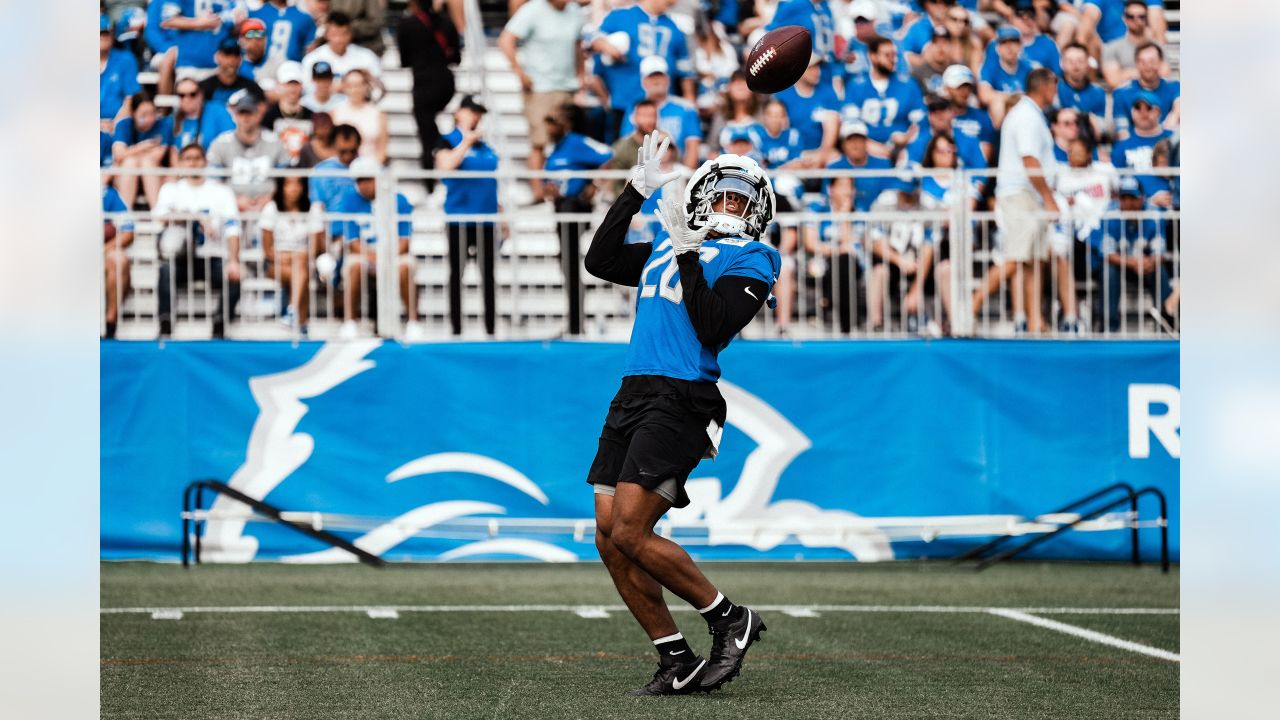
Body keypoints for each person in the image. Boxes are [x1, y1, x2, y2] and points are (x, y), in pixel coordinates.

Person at [582, 134, 777, 696]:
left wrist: (690, 252)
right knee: (606, 536)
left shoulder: (755, 257)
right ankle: (674, 656)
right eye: (721, 197)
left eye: (740, 201)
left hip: (682, 396)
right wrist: (633, 193)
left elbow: (714, 325)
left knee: (630, 528)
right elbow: (599, 260)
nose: (727, 208)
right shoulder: (666, 245)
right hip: (633, 392)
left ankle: (728, 618)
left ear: (757, 211)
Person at [982, 67, 1059, 335]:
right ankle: (968, 307)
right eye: (1054, 82)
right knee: (1014, 258)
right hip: (1020, 194)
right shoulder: (1027, 115)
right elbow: (1030, 160)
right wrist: (1050, 200)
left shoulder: (1028, 114)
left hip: (1026, 195)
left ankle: (1036, 321)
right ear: (1046, 85)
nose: (1056, 89)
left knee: (1032, 262)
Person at [499, 0, 586, 204]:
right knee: (539, 141)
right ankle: (538, 191)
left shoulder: (574, 11)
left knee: (568, 141)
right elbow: (505, 40)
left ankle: (566, 189)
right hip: (540, 87)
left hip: (568, 86)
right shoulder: (532, 9)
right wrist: (519, 72)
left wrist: (581, 76)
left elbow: (577, 45)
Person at [154, 142, 243, 339]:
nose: (193, 163)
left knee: (235, 275)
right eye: (188, 159)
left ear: (205, 162)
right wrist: (196, 217)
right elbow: (161, 216)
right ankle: (165, 322)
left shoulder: (221, 191)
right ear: (180, 163)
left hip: (211, 255)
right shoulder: (171, 189)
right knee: (165, 270)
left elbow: (232, 227)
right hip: (180, 258)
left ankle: (220, 324)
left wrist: (234, 260)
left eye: (197, 158)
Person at [330, 156, 420, 339]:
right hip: (365, 254)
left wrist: (387, 257)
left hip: (394, 253)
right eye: (359, 180)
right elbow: (352, 242)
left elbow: (405, 239)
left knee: (405, 266)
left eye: (367, 179)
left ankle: (413, 321)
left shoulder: (399, 200)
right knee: (354, 266)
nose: (363, 185)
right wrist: (375, 258)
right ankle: (350, 321)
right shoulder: (349, 201)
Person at [545, 103, 615, 335]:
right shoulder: (555, 148)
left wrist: (594, 184)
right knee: (567, 264)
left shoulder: (576, 141)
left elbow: (608, 155)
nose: (548, 127)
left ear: (565, 124)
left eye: (553, 122)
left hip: (573, 208)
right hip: (560, 210)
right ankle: (575, 320)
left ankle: (577, 323)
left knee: (570, 264)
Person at [434, 96, 501, 336]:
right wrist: (466, 143)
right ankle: (456, 328)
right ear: (458, 112)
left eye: (479, 112)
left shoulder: (486, 147)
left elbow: (491, 181)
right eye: (471, 111)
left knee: (488, 276)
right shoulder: (447, 140)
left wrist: (500, 213)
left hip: (486, 218)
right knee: (456, 274)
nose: (476, 117)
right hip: (459, 218)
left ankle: (491, 328)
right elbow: (445, 166)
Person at [590, 0, 695, 141]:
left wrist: (689, 97)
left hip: (659, 109)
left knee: (660, 150)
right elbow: (592, 40)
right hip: (624, 102)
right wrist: (608, 46)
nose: (674, 2)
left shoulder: (673, 27)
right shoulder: (620, 16)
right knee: (623, 153)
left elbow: (685, 70)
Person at [1093, 176, 1170, 333]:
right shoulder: (1110, 214)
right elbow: (1107, 253)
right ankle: (1109, 328)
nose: (1128, 203)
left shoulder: (1153, 214)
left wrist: (1149, 262)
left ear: (1142, 198)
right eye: (1124, 198)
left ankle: (1166, 324)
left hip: (1145, 267)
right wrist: (1135, 263)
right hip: (1120, 266)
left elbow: (1160, 251)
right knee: (1108, 271)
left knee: (1159, 270)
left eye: (1132, 198)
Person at [397, 0, 460, 189]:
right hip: (446, 83)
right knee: (431, 129)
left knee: (427, 138)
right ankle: (447, 152)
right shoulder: (447, 22)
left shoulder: (406, 24)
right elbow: (456, 57)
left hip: (424, 85)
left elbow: (404, 59)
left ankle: (431, 185)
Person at [207, 89, 291, 216]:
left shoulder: (274, 142)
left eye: (250, 113)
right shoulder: (221, 143)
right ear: (235, 116)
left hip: (268, 203)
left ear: (258, 114)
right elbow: (213, 180)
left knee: (271, 211)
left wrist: (270, 197)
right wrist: (234, 199)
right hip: (231, 204)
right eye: (241, 113)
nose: (245, 118)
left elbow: (286, 178)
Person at [261, 174, 324, 336]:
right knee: (301, 270)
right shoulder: (271, 208)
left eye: (298, 183)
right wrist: (290, 256)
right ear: (282, 187)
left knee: (301, 265)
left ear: (304, 187)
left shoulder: (313, 209)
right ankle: (301, 322)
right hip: (276, 263)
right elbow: (267, 250)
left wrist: (296, 256)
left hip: (303, 262)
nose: (294, 188)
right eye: (289, 183)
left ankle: (292, 312)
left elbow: (316, 247)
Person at [843, 36, 925, 160]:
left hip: (902, 150)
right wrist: (868, 145)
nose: (894, 60)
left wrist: (906, 138)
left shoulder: (908, 85)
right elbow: (849, 123)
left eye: (895, 55)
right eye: (887, 55)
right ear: (873, 56)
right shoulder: (856, 86)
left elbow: (920, 122)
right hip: (866, 152)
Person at [802, 175, 863, 334]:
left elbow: (850, 246)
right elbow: (810, 242)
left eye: (850, 187)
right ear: (831, 189)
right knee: (841, 262)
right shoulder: (818, 208)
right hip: (823, 261)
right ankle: (847, 326)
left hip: (852, 263)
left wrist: (844, 215)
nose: (847, 191)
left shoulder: (858, 212)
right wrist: (835, 251)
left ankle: (826, 301)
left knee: (845, 262)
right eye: (842, 186)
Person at [619, 57, 702, 170]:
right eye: (651, 77)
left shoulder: (686, 108)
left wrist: (685, 180)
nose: (656, 81)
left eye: (660, 76)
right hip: (641, 172)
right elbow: (627, 145)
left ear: (668, 79)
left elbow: (693, 148)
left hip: (676, 172)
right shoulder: (633, 108)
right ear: (643, 81)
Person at [112, 91, 174, 209]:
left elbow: (157, 157)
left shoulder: (163, 126)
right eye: (144, 114)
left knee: (145, 162)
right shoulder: (123, 125)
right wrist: (143, 146)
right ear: (133, 113)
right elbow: (118, 155)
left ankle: (156, 211)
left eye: (152, 113)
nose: (149, 118)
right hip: (125, 174)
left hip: (154, 173)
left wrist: (129, 152)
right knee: (131, 162)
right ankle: (125, 214)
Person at [1111, 91, 1173, 207]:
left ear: (1158, 111)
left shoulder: (1174, 138)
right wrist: (1148, 203)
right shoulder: (1122, 145)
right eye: (1138, 108)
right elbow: (1116, 183)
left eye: (1148, 108)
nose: (1143, 113)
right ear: (1132, 112)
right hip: (1139, 210)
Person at [774, 56, 840, 163]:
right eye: (811, 68)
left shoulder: (828, 92)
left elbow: (833, 125)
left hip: (821, 153)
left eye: (818, 67)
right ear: (798, 69)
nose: (817, 71)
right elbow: (778, 131)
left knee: (835, 157)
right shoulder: (783, 95)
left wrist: (821, 156)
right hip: (792, 153)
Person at [766, 0, 839, 93]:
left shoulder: (826, 7)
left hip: (826, 71)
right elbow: (771, 35)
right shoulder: (794, 5)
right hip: (803, 71)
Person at [1112, 42, 1179, 138]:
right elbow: (1122, 132)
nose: (1148, 66)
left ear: (1160, 62)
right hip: (1135, 146)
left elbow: (1180, 104)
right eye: (1143, 62)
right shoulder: (1122, 93)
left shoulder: (1174, 87)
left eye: (1152, 61)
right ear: (1136, 64)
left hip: (1167, 143)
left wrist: (1174, 115)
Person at [166, 0, 243, 79]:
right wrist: (198, 23)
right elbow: (168, 20)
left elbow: (239, 18)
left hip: (221, 62)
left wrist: (233, 20)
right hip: (190, 61)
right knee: (188, 89)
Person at [302, 11, 383, 84]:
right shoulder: (313, 59)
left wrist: (369, 78)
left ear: (351, 34)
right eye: (334, 34)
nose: (339, 39)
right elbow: (308, 89)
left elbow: (379, 87)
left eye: (343, 34)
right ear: (326, 34)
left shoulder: (367, 56)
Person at [262, 62, 316, 166]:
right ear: (279, 86)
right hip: (277, 168)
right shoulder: (269, 116)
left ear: (301, 86)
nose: (292, 89)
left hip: (304, 168)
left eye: (295, 84)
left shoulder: (311, 115)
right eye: (288, 84)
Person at [978, 26, 1032, 126]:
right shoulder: (989, 67)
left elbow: (1035, 95)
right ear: (997, 48)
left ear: (1020, 46)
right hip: (1003, 113)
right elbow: (984, 96)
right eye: (1004, 43)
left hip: (1024, 111)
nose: (1009, 47)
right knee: (997, 103)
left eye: (1014, 42)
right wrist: (1013, 97)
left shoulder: (1028, 67)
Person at [331, 69, 388, 163]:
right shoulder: (335, 111)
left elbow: (382, 148)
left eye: (358, 85)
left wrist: (373, 169)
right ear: (344, 87)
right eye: (350, 86)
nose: (354, 90)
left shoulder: (378, 113)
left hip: (371, 167)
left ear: (366, 86)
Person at [941, 64, 994, 163]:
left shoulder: (982, 118)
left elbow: (984, 159)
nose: (964, 92)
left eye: (967, 87)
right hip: (943, 174)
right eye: (959, 87)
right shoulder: (937, 117)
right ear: (947, 88)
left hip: (971, 174)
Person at [1101, 0, 1161, 89]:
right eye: (1131, 16)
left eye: (1141, 16)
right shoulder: (1111, 47)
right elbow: (1113, 81)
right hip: (1124, 99)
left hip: (1154, 98)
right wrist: (1149, 72)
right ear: (1124, 18)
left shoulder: (1157, 46)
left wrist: (1126, 73)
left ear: (1147, 19)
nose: (1136, 20)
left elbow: (1165, 74)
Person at [170, 76, 235, 158]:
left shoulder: (217, 111)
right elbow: (172, 152)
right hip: (184, 168)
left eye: (193, 94)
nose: (187, 99)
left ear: (201, 94)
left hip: (214, 165)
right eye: (181, 95)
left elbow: (230, 140)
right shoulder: (173, 121)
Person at [102, 181, 135, 340]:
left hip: (103, 251)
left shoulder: (108, 194)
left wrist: (103, 249)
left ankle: (110, 324)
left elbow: (128, 232)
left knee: (119, 259)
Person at [199, 36, 264, 111]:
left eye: (235, 56)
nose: (231, 60)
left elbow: (262, 108)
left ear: (240, 59)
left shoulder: (252, 87)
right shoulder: (204, 87)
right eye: (227, 55)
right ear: (218, 57)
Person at [1057, 42, 1106, 137]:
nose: (1075, 66)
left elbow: (1103, 127)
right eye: (1070, 61)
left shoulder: (1099, 92)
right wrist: (1086, 116)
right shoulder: (1055, 89)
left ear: (1088, 63)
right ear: (1062, 64)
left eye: (1080, 61)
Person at [101, 14, 141, 130]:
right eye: (100, 34)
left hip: (117, 124)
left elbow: (129, 99)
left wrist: (116, 124)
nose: (103, 37)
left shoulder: (125, 59)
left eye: (106, 33)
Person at [310, 122, 362, 209]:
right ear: (333, 145)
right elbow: (317, 207)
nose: (348, 156)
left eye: (353, 151)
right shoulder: (320, 172)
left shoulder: (370, 169)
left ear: (358, 145)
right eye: (343, 151)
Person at [250, 0, 318, 66]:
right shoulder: (255, 15)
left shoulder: (304, 18)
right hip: (260, 69)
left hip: (292, 70)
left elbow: (310, 49)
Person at [143, 1, 180, 97]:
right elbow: (151, 32)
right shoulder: (158, 2)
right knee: (165, 61)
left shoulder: (193, 3)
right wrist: (168, 49)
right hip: (164, 51)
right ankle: (164, 107)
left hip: (191, 50)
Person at [237, 17, 282, 93]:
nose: (254, 40)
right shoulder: (236, 64)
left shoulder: (277, 65)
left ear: (265, 39)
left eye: (259, 34)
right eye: (249, 35)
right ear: (241, 40)